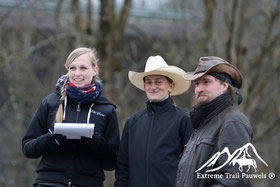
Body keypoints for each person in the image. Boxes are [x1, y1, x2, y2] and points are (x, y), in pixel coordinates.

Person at [22, 47, 120, 187]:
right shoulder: (51, 102)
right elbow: (27, 148)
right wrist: (51, 139)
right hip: (49, 182)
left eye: (83, 68)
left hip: (89, 183)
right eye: (72, 68)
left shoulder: (107, 109)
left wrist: (96, 143)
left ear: (95, 70)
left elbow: (112, 162)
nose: (77, 73)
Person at [114, 55, 193, 187]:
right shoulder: (132, 123)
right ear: (144, 87)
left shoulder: (184, 120)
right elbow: (122, 168)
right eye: (149, 82)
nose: (153, 86)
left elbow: (191, 166)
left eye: (158, 82)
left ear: (171, 86)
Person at [175, 56, 253, 187]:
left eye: (206, 82)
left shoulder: (233, 122)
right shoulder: (201, 124)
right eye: (197, 84)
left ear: (224, 86)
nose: (199, 89)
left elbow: (235, 180)